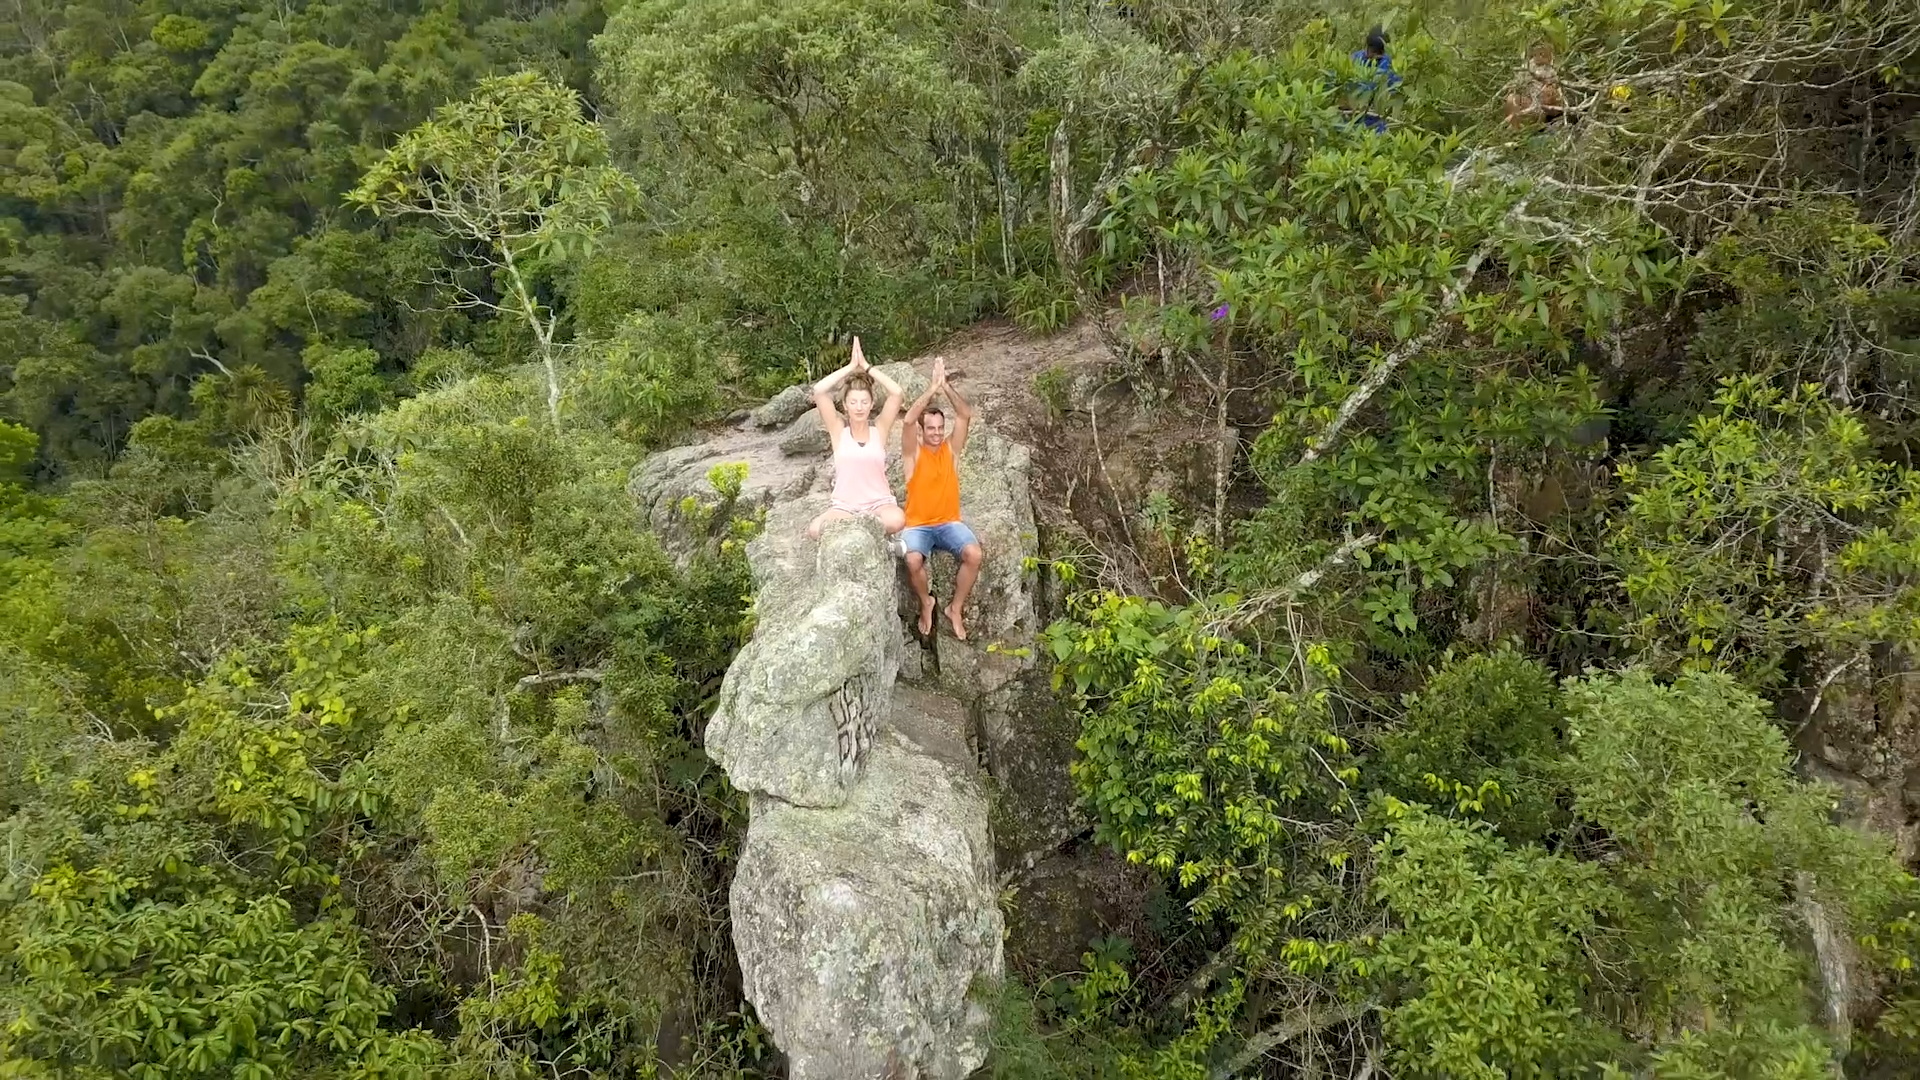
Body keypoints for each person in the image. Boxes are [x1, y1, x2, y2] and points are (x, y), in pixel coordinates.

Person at [900, 357, 984, 641]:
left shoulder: (951, 449)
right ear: (922, 431)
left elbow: (965, 414)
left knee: (974, 555)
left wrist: (945, 386)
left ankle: (954, 608)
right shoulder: (913, 454)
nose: (936, 433)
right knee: (913, 560)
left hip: (949, 523)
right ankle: (927, 602)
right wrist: (931, 390)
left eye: (939, 428)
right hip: (918, 525)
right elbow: (908, 420)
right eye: (930, 428)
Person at [806, 336, 906, 540]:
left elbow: (897, 393)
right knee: (816, 529)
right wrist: (851, 366)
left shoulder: (879, 429)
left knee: (897, 519)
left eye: (864, 402)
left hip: (879, 505)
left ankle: (861, 531)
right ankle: (867, 532)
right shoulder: (838, 430)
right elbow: (818, 391)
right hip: (846, 507)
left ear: (871, 404)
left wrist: (867, 367)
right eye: (853, 402)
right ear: (845, 405)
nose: (859, 407)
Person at [1350, 26, 1402, 134]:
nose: (1375, 57)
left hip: (1376, 122)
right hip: (1351, 118)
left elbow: (1395, 93)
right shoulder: (1354, 60)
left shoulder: (1390, 65)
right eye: (1373, 52)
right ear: (1367, 46)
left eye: (1379, 53)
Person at [1503, 42, 1568, 128]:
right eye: (1536, 54)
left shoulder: (1554, 70)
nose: (1539, 57)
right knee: (1512, 99)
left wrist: (1550, 92)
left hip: (1541, 108)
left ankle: (1527, 125)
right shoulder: (1527, 67)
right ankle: (1514, 127)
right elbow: (1517, 83)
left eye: (1542, 54)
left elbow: (1558, 98)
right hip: (1529, 101)